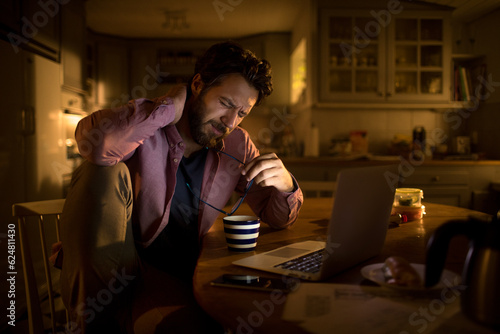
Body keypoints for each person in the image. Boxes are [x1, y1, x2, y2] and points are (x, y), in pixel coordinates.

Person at [59, 41, 303, 333]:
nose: (230, 121)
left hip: (179, 275)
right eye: (225, 104)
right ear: (198, 84)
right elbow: (96, 146)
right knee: (100, 172)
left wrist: (286, 183)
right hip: (116, 269)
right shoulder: (146, 126)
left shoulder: (237, 144)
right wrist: (169, 106)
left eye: (242, 113)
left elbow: (278, 217)